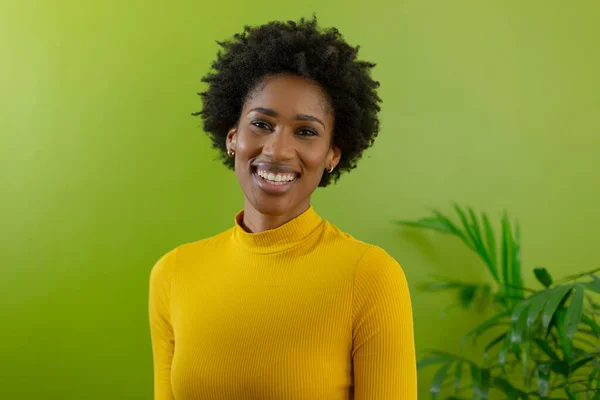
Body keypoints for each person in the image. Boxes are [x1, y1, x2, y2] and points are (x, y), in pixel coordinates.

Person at [149, 15, 417, 400]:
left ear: (331, 155)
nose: (276, 150)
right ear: (232, 137)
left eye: (306, 132)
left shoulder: (371, 278)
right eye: (261, 124)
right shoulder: (173, 274)